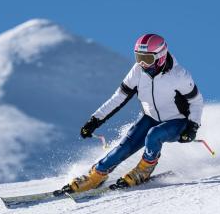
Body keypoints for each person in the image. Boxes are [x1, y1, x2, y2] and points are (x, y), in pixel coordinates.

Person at [64, 33, 204, 192]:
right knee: (124, 147)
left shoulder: (179, 75)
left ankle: (143, 170)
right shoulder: (137, 71)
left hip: (178, 122)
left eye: (148, 59)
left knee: (154, 135)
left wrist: (192, 127)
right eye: (139, 57)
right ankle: (96, 175)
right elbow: (118, 98)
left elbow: (196, 101)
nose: (143, 63)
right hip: (150, 118)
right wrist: (94, 120)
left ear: (161, 57)